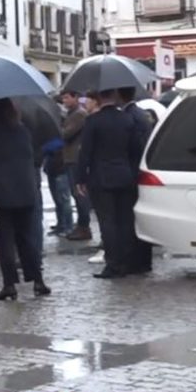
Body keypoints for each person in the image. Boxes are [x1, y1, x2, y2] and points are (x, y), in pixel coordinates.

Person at [0, 100, 50, 301]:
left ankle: (9, 284)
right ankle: (37, 280)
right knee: (27, 238)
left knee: (5, 241)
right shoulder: (23, 131)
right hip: (25, 193)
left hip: (0, 195)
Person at [76, 90, 143, 279]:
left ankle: (113, 263)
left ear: (99, 99)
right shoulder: (127, 119)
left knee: (107, 222)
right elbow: (135, 149)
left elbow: (85, 153)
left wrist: (80, 178)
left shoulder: (93, 121)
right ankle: (126, 262)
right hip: (124, 175)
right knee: (125, 221)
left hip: (101, 177)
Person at [119, 87, 156, 273]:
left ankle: (137, 261)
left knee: (131, 218)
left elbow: (133, 145)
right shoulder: (141, 114)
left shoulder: (129, 117)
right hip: (138, 169)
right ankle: (143, 260)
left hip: (132, 171)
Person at [60, 91, 93, 241]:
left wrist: (58, 130)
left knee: (79, 194)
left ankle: (84, 226)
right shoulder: (71, 113)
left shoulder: (79, 114)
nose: (64, 100)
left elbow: (66, 134)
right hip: (69, 157)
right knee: (75, 193)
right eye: (63, 98)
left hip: (75, 158)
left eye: (67, 97)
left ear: (75, 98)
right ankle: (81, 225)